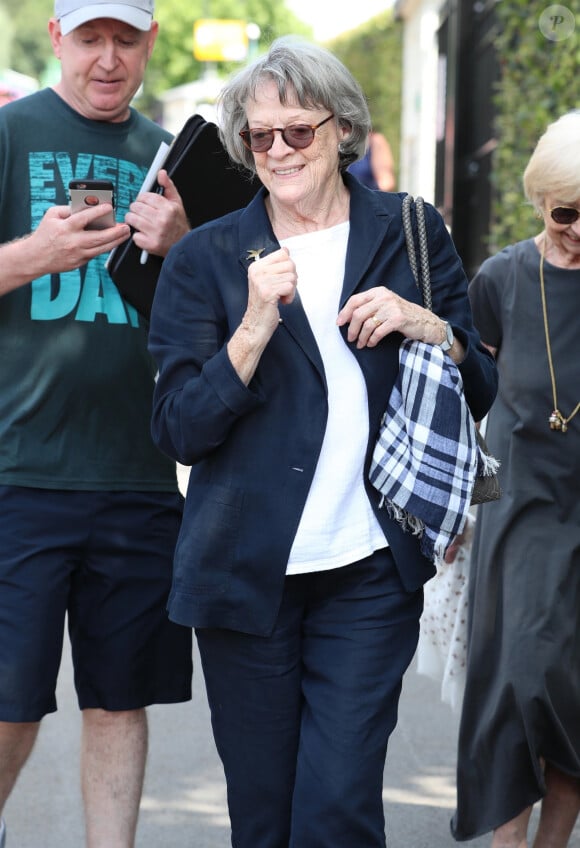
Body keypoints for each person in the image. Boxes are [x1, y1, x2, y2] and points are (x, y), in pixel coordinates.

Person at [148, 36, 497, 848]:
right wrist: (251, 330)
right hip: (246, 577)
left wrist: (429, 326)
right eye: (258, 138)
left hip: (369, 572)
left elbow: (479, 378)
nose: (277, 151)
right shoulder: (204, 258)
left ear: (341, 128)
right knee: (265, 819)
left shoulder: (410, 229)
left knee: (337, 808)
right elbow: (177, 426)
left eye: (296, 132)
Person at [0, 1, 194, 845]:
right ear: (56, 40)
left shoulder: (173, 157)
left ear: (149, 40)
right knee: (9, 706)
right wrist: (26, 258)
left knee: (120, 700)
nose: (108, 59)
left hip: (139, 475)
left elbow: (222, 313)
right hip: (18, 473)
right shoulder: (11, 135)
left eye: (125, 39)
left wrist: (187, 246)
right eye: (90, 39)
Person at [451, 111, 580, 846]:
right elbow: (471, 407)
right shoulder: (501, 278)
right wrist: (463, 512)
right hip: (520, 511)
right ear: (540, 200)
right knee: (520, 684)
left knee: (574, 697)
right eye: (567, 212)